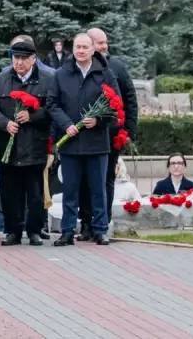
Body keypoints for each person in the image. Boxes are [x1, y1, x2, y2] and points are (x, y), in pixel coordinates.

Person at [47, 32, 115, 247]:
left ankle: (100, 229)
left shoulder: (104, 73)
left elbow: (115, 105)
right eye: (77, 47)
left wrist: (98, 119)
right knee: (70, 191)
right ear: (72, 49)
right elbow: (52, 104)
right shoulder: (61, 74)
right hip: (71, 142)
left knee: (98, 190)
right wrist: (66, 124)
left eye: (85, 47)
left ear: (93, 49)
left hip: (96, 143)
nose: (81, 51)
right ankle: (67, 231)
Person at [0, 39, 53, 246]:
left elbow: (53, 108)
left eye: (24, 58)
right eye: (16, 58)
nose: (19, 63)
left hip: (35, 145)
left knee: (34, 193)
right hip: (9, 146)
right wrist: (4, 123)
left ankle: (34, 230)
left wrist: (33, 117)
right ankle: (12, 231)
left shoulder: (47, 79)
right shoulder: (1, 79)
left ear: (33, 59)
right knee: (9, 192)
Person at [84, 27, 139, 240]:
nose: (104, 46)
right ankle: (87, 223)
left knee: (106, 180)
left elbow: (130, 100)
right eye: (99, 43)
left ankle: (102, 223)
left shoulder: (117, 67)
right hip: (86, 135)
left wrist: (129, 131)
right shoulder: (80, 67)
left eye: (105, 42)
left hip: (111, 134)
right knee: (84, 182)